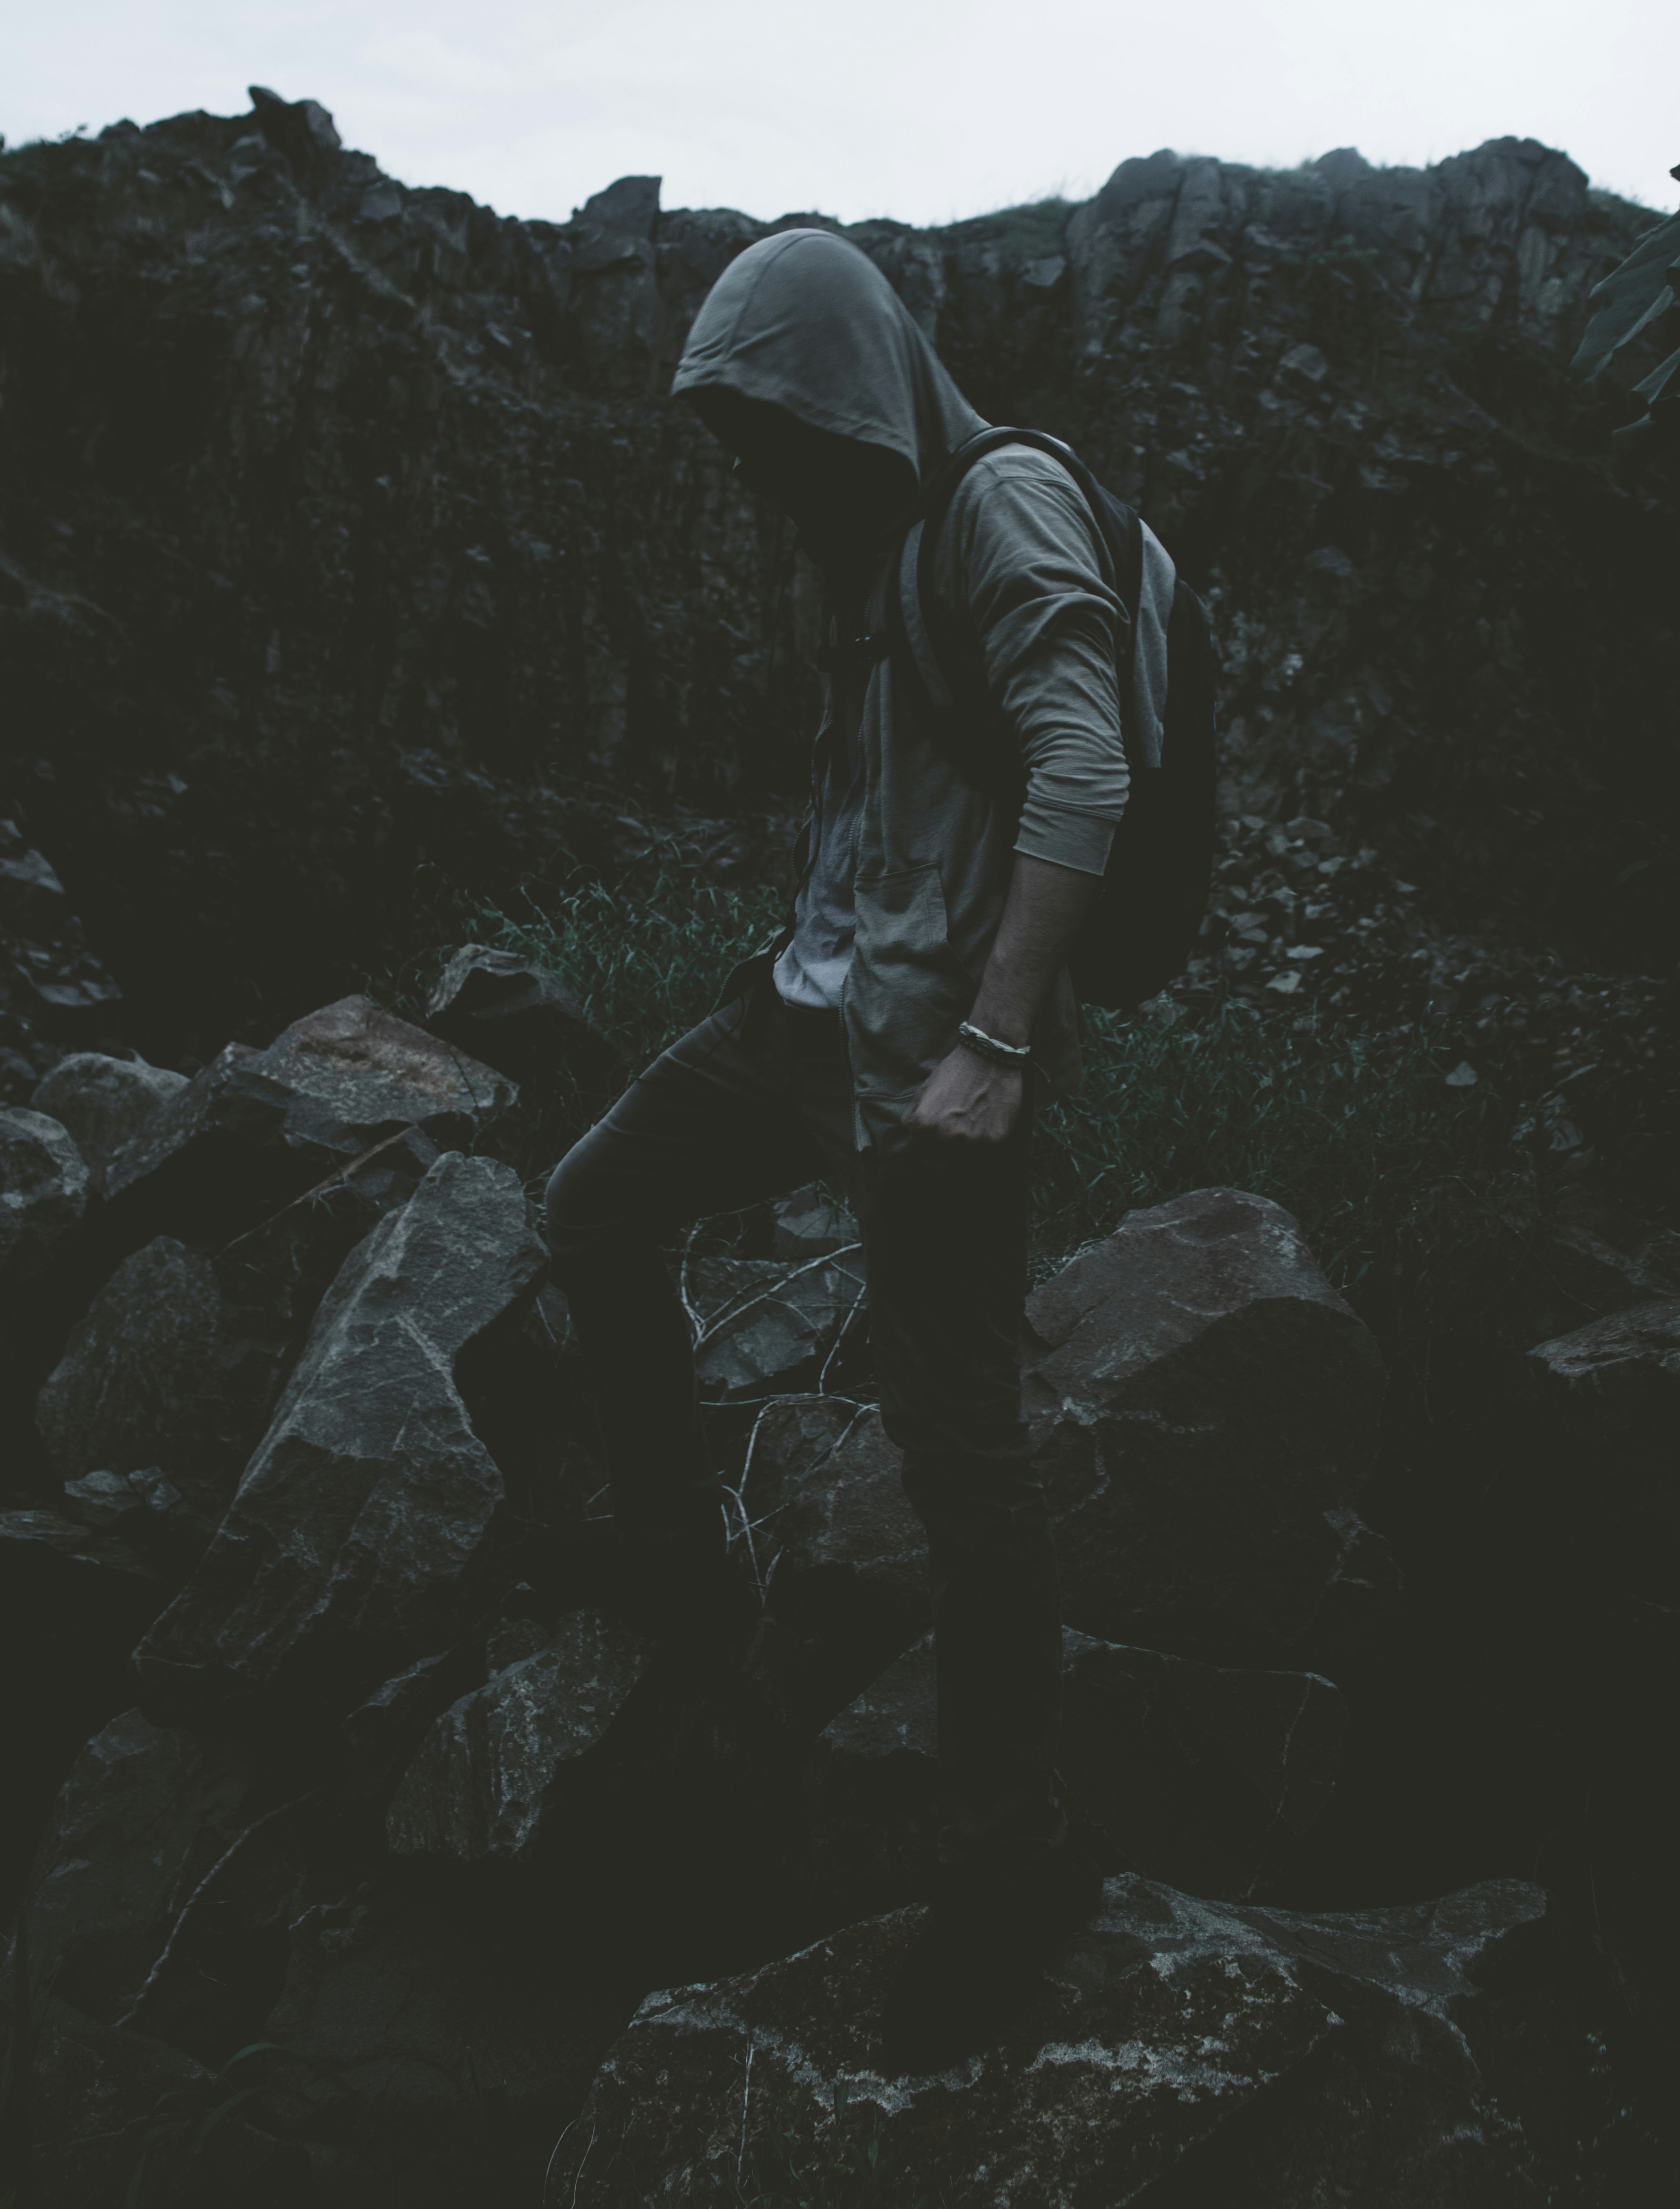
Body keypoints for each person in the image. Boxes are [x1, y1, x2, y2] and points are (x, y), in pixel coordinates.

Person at [543, 225, 1132, 2065]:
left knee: (962, 1461)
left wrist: (995, 1043)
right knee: (596, 1203)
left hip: (935, 1067)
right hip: (813, 1011)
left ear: (853, 389)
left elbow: (1086, 764)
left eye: (773, 427)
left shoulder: (997, 506)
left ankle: (1007, 1863)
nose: (757, 471)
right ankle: (672, 1556)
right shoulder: (859, 534)